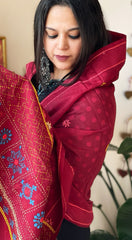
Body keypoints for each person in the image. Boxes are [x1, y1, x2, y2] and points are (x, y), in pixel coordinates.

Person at [25, 0, 126, 239]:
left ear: (90, 33)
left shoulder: (95, 101)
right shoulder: (39, 73)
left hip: (61, 223)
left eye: (74, 35)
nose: (61, 46)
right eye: (51, 34)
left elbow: (54, 176)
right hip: (26, 212)